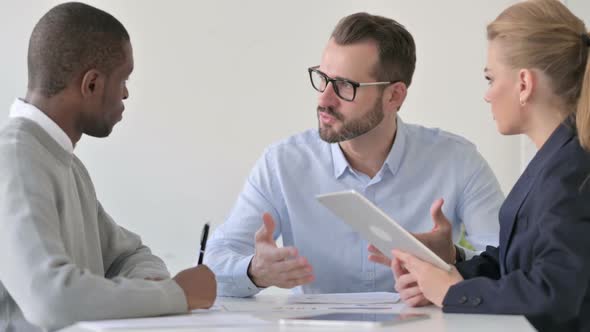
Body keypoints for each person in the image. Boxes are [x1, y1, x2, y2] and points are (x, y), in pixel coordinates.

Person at [204, 12, 504, 297]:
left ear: (394, 96)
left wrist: (454, 259)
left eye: (345, 86)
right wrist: (254, 271)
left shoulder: (457, 160)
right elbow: (212, 264)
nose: (324, 99)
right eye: (323, 78)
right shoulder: (283, 163)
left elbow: (511, 263)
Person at [375, 0, 590, 331]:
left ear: (523, 84)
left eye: (490, 79)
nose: (487, 95)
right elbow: (520, 263)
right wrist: (450, 269)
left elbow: (553, 291)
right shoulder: (558, 159)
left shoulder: (573, 171)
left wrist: (451, 291)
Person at [0, 3, 216, 331]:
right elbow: (51, 300)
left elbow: (130, 257)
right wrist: (176, 294)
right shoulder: (14, 159)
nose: (126, 93)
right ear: (92, 84)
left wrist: (149, 289)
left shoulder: (68, 166)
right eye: (124, 79)